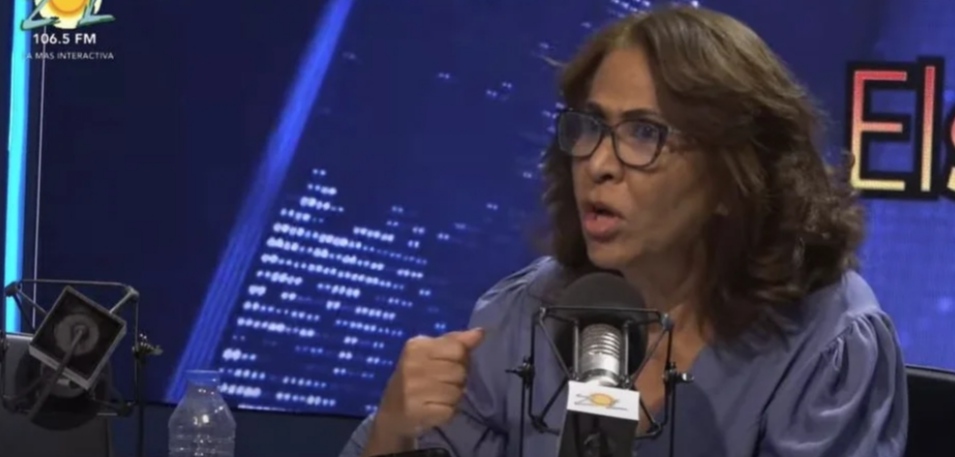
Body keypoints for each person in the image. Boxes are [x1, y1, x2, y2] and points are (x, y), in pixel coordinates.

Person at [339, 6, 908, 457]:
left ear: (734, 175)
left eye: (643, 133)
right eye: (590, 127)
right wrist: (393, 430)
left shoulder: (828, 342)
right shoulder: (521, 313)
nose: (598, 163)